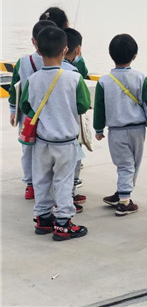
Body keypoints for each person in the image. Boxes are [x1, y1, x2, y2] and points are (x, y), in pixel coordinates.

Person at [19, 26, 91, 241]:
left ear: (38, 50)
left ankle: (43, 219)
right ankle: (63, 223)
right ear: (65, 50)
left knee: (41, 179)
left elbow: (25, 106)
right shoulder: (73, 78)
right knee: (63, 181)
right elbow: (83, 105)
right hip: (66, 142)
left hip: (42, 141)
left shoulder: (32, 80)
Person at [93, 34, 147, 217]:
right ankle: (124, 200)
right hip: (137, 129)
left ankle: (123, 192)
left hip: (116, 131)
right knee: (132, 164)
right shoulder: (141, 78)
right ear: (135, 55)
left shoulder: (104, 82)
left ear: (110, 54)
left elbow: (99, 108)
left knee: (124, 165)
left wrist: (99, 129)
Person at [8, 20, 57, 200]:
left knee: (27, 150)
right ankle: (48, 183)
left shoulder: (23, 62)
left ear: (33, 41)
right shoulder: (60, 62)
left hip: (27, 116)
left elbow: (15, 88)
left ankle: (30, 185)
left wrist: (13, 110)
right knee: (48, 150)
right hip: (51, 115)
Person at [64, 27, 88, 211]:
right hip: (70, 129)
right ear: (77, 49)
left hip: (46, 133)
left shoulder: (39, 72)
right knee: (73, 164)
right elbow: (83, 104)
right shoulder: (75, 73)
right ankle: (68, 198)